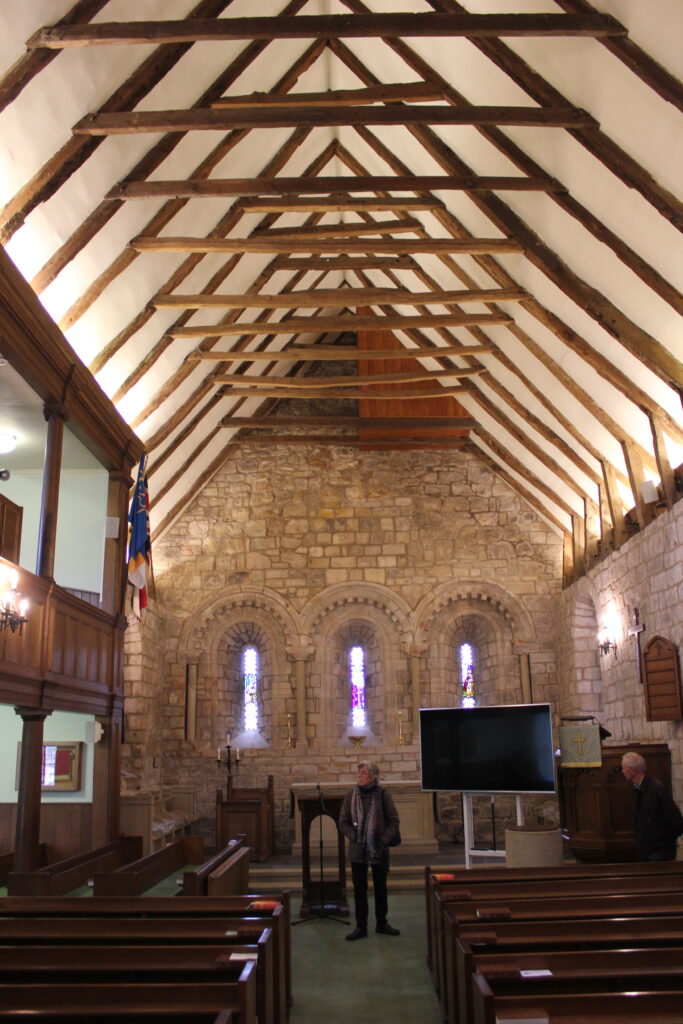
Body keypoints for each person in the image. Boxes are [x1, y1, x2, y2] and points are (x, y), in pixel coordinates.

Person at [338, 761, 401, 941]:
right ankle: (361, 926)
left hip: (378, 849)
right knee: (360, 889)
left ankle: (382, 923)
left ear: (373, 777)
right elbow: (343, 821)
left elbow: (393, 821)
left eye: (363, 773)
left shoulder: (383, 795)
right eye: (359, 773)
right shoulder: (351, 795)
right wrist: (354, 835)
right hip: (358, 850)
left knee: (380, 887)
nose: (360, 776)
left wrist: (382, 840)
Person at [621, 750, 683, 862]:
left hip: (659, 852)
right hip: (645, 851)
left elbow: (676, 821)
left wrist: (666, 843)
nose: (622, 771)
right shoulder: (636, 788)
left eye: (624, 768)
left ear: (633, 770)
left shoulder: (657, 789)